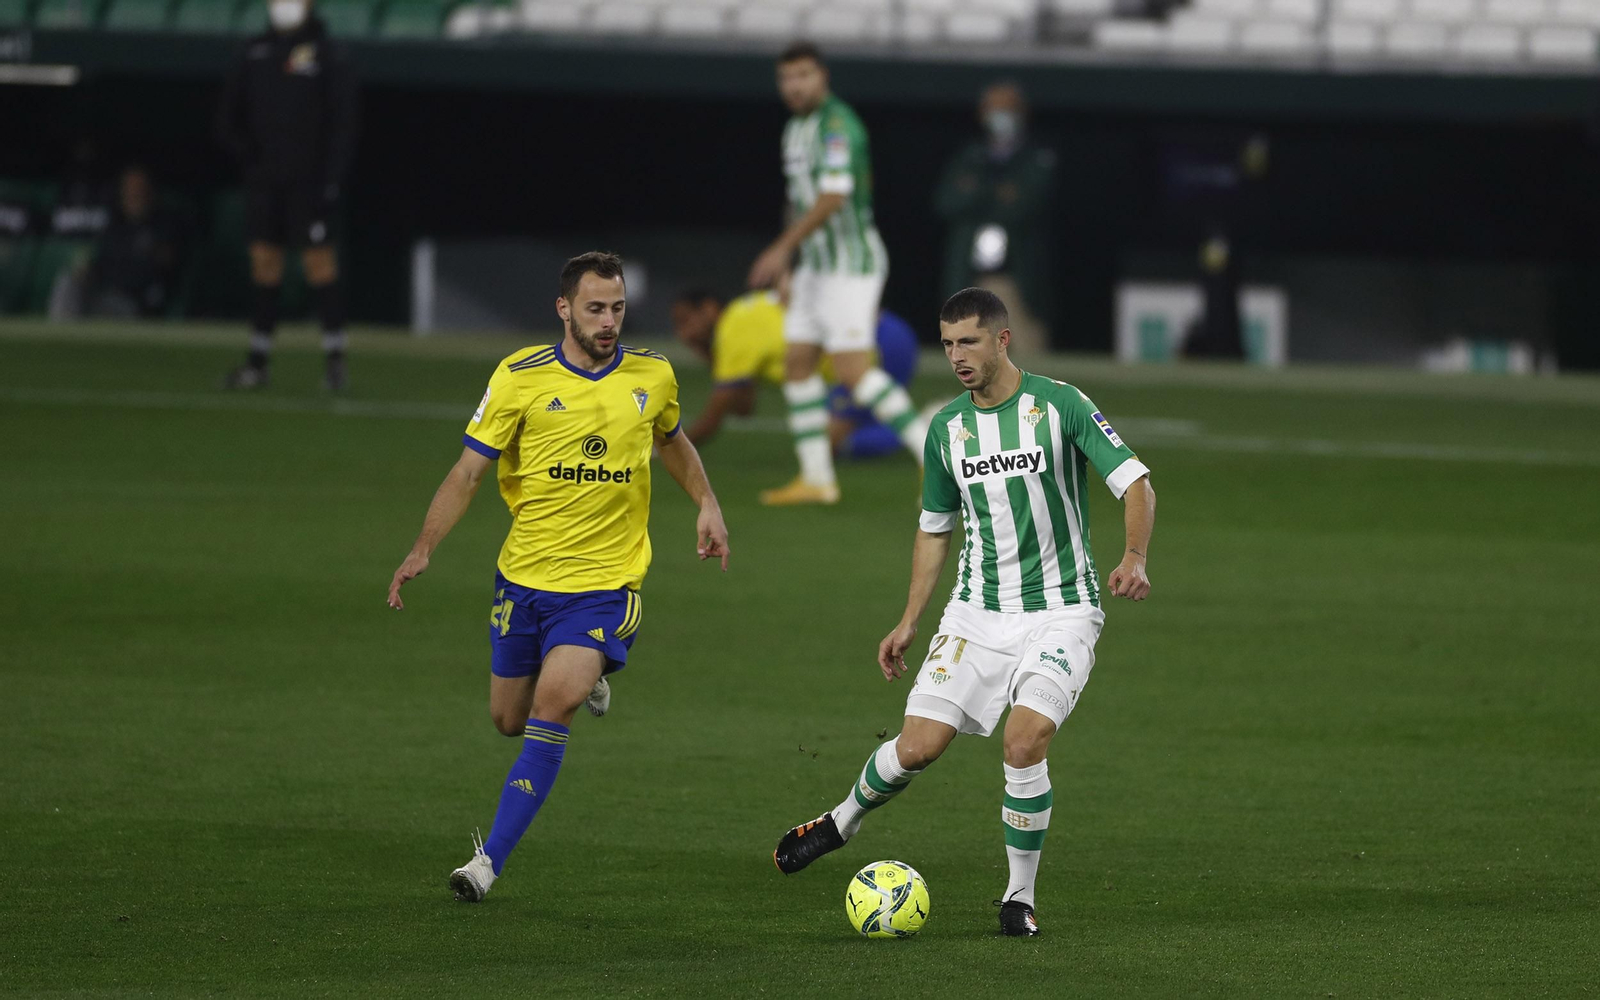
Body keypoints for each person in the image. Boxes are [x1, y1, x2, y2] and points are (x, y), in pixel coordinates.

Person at [771, 287, 1157, 937]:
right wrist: (910, 619)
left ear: (1002, 340)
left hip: (1061, 610)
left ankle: (1017, 897)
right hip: (975, 612)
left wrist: (1135, 556)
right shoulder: (946, 429)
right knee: (917, 748)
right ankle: (839, 822)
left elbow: (1135, 482)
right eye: (948, 343)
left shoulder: (1059, 405)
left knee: (1024, 737)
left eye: (969, 341)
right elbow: (933, 530)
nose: (956, 356)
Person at [386, 252, 730, 904]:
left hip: (606, 584)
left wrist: (707, 502)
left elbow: (672, 440)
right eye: (596, 308)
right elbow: (467, 474)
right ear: (564, 308)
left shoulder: (651, 375)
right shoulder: (518, 378)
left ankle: (487, 863)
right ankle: (591, 674)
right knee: (507, 719)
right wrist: (424, 547)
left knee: (552, 708)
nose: (609, 322)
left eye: (619, 308)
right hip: (523, 580)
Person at [747, 41, 927, 505]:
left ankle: (934, 455)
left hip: (851, 263)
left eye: (804, 75)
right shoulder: (795, 129)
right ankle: (817, 479)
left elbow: (833, 197)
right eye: (787, 77)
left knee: (852, 371)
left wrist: (781, 248)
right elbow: (800, 202)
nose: (795, 85)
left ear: (823, 76)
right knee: (798, 364)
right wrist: (791, 262)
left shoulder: (837, 126)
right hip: (814, 267)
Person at [217, 0, 358, 391]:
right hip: (266, 183)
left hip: (309, 183)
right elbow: (229, 117)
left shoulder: (327, 52)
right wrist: (251, 159)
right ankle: (258, 361)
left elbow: (343, 121)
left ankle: (335, 361)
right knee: (264, 262)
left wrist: (331, 177)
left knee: (319, 263)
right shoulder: (254, 50)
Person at [670, 287, 919, 458]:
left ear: (710, 309)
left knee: (830, 444)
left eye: (686, 321)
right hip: (889, 331)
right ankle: (914, 428)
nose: (683, 334)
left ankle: (926, 429)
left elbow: (714, 417)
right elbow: (744, 407)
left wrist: (667, 448)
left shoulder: (732, 332)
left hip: (875, 342)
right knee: (844, 431)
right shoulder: (745, 314)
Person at [934, 82, 1057, 357]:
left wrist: (977, 190)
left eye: (1008, 108)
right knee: (968, 356)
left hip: (1017, 277)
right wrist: (997, 191)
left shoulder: (1036, 157)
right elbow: (947, 202)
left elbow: (1025, 205)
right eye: (994, 108)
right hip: (970, 275)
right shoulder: (969, 156)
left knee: (1027, 359)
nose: (1000, 115)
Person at [65, 165, 188, 319]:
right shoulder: (115, 225)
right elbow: (101, 262)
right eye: (129, 189)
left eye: (139, 189)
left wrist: (138, 258)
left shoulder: (164, 225)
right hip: (103, 295)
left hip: (135, 303)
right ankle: (59, 333)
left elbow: (165, 263)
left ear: (150, 191)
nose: (133, 194)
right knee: (69, 282)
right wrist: (86, 271)